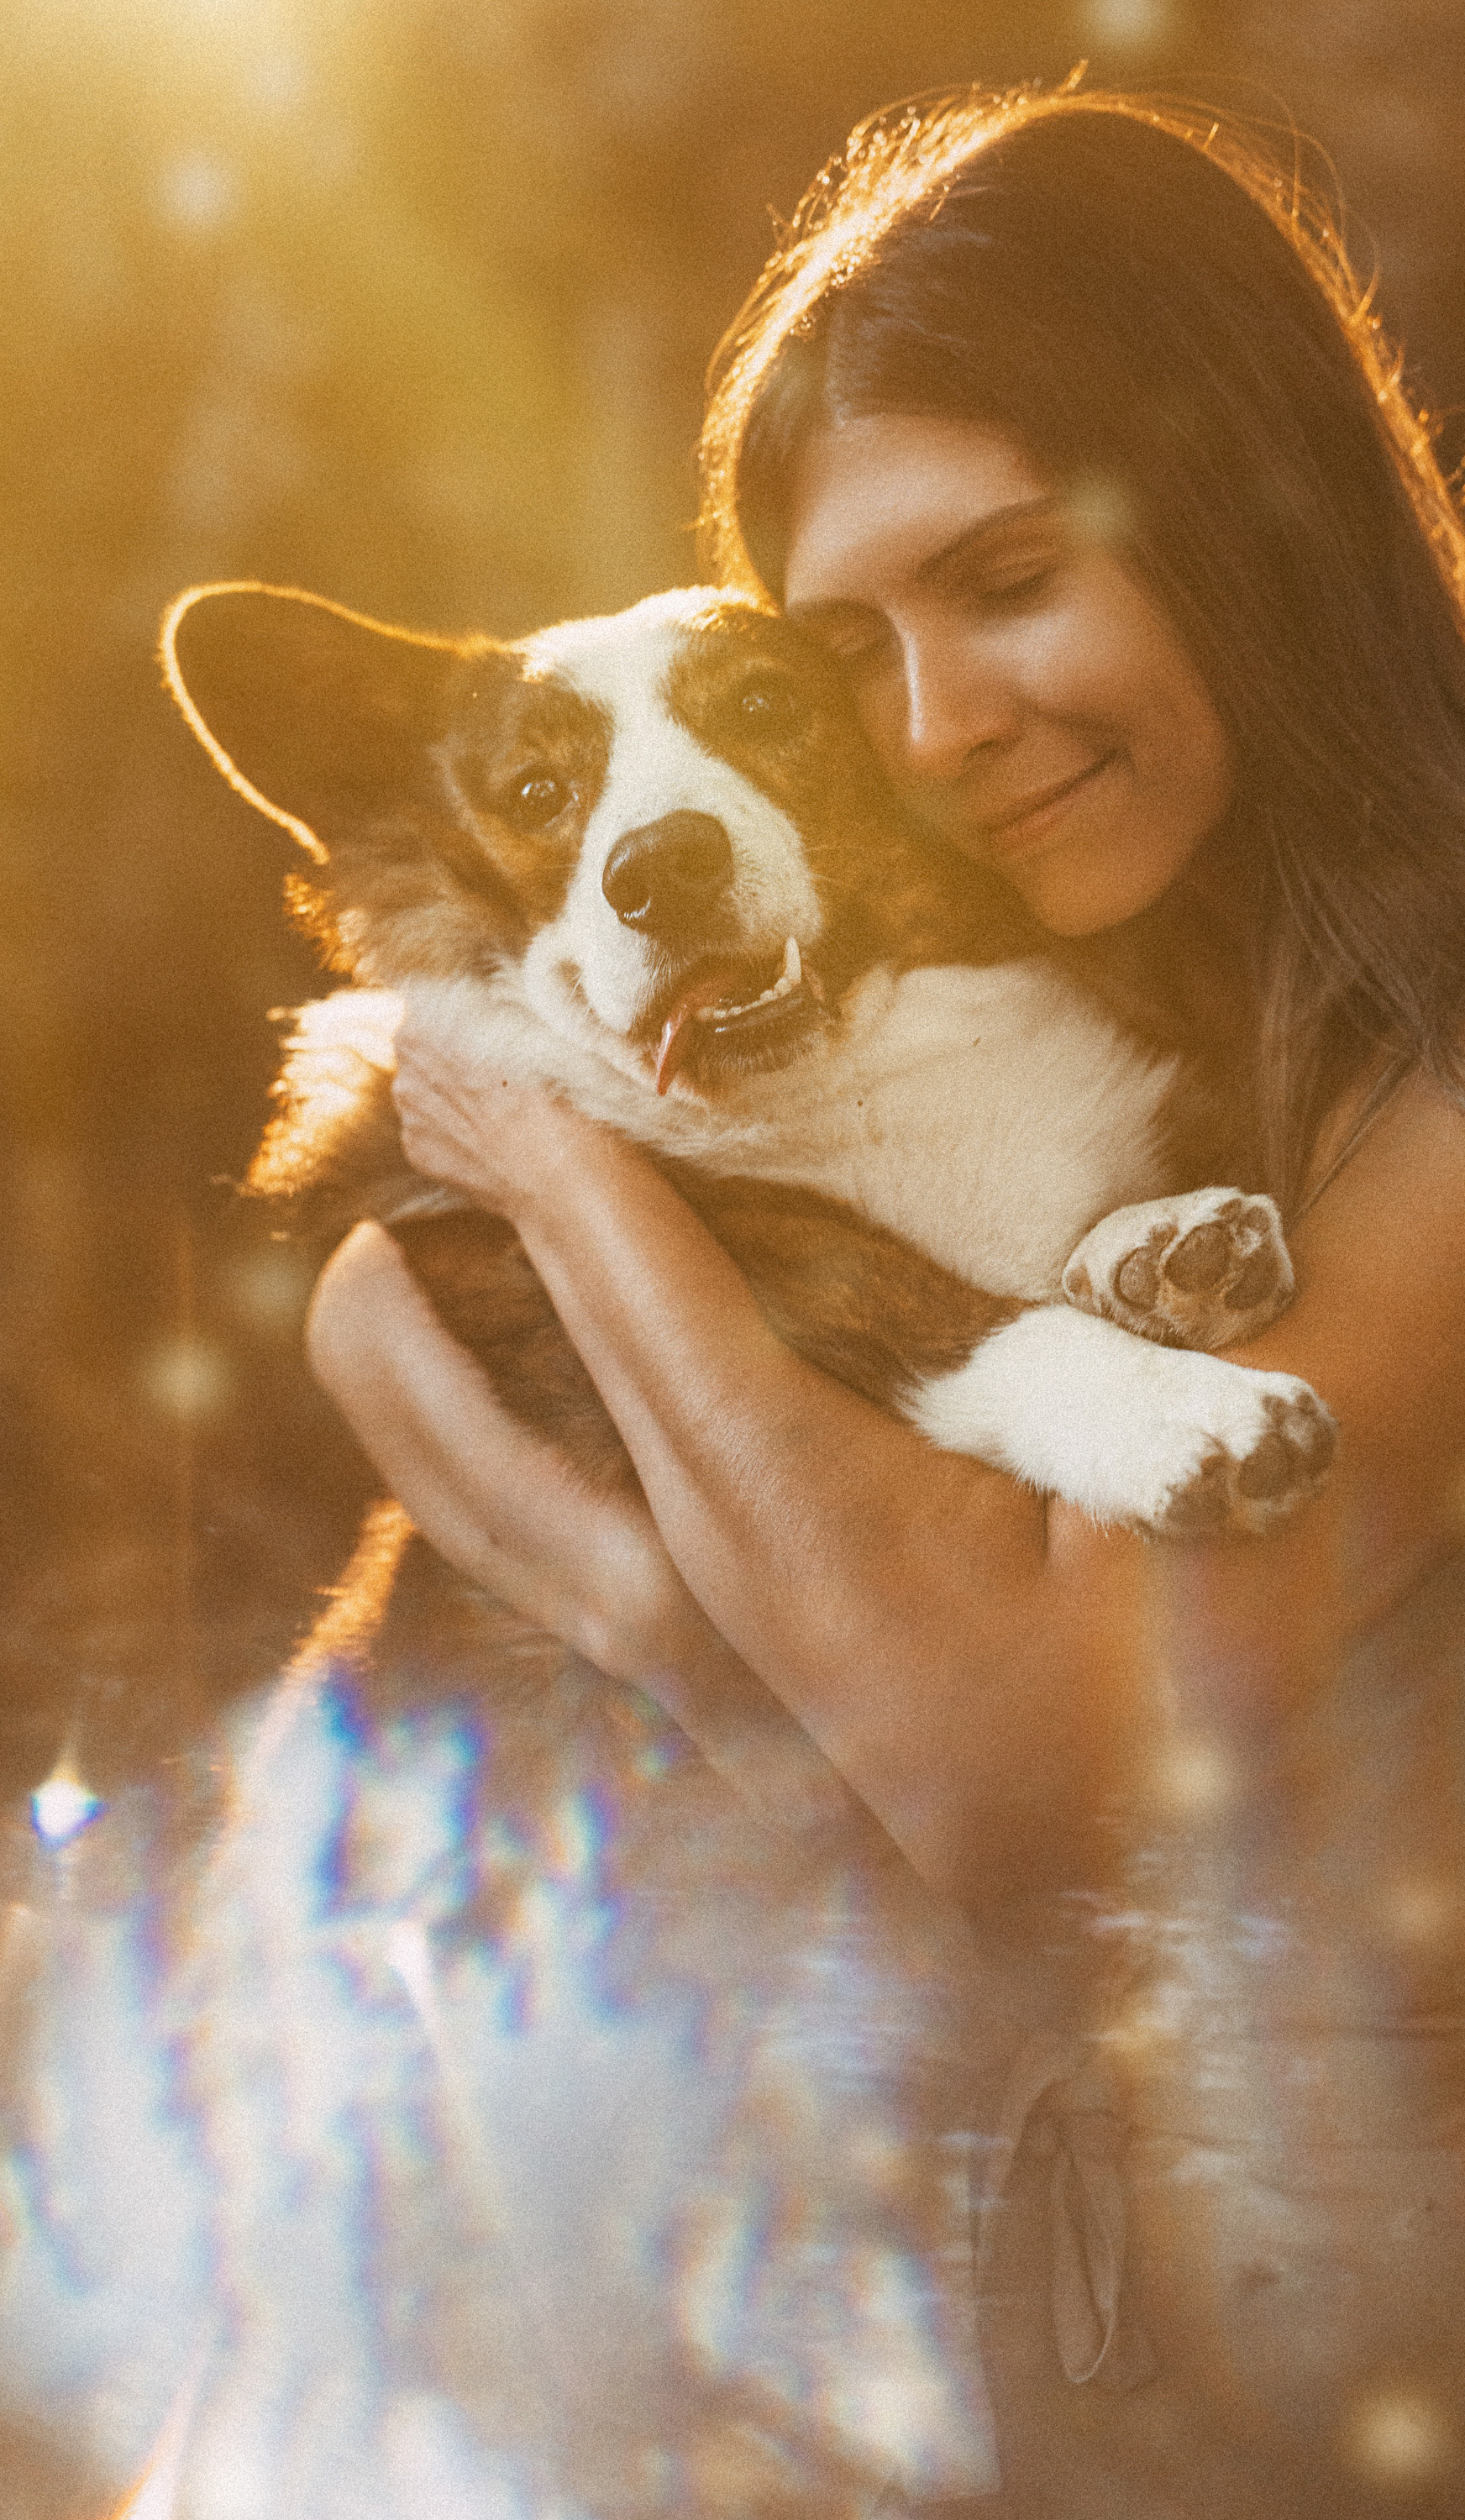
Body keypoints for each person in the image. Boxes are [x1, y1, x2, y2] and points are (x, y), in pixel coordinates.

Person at [306, 87, 1465, 2496]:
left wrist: (549, 1165)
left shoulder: (1431, 1082)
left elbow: (1013, 1769)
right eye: (852, 656)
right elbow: (378, 1326)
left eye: (1018, 575)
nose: (937, 726)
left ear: (1242, 511)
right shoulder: (1138, 1004)